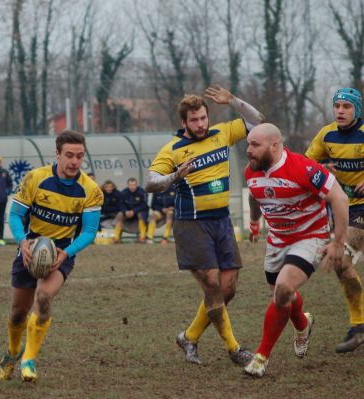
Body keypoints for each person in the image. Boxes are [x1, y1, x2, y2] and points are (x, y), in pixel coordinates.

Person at [146, 84, 264, 366]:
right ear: (183, 122)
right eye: (194, 120)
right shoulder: (173, 149)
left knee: (228, 288)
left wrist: (233, 100)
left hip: (221, 222)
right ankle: (235, 349)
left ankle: (189, 335)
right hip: (192, 225)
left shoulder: (222, 133)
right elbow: (151, 182)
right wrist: (176, 175)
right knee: (212, 285)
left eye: (203, 118)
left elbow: (258, 122)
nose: (200, 124)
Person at [0, 130, 104, 383]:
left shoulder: (91, 190)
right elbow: (14, 215)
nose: (74, 161)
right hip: (29, 251)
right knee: (17, 314)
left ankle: (29, 360)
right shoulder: (35, 178)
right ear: (57, 154)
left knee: (43, 298)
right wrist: (22, 242)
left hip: (61, 254)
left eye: (79, 156)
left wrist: (67, 253)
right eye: (69, 155)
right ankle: (12, 353)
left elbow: (89, 231)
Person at [243, 123, 348, 377]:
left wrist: (337, 242)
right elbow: (254, 196)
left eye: (255, 145)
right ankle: (303, 323)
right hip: (277, 240)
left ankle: (261, 357)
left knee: (284, 289)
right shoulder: (252, 171)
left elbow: (339, 198)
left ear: (275, 145)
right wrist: (255, 223)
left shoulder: (303, 168)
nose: (248, 150)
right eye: (248, 144)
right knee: (281, 297)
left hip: (310, 237)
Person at [305, 87, 364, 353]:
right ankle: (359, 326)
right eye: (337, 106)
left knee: (343, 257)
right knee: (341, 263)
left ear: (357, 110)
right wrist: (320, 169)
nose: (340, 110)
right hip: (343, 210)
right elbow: (305, 164)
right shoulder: (326, 135)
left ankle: (360, 325)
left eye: (347, 107)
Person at [115, 178, 149, 243]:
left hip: (139, 212)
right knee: (120, 214)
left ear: (137, 185)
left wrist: (134, 211)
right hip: (127, 213)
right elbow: (120, 204)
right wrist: (125, 211)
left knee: (141, 214)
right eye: (131, 185)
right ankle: (116, 238)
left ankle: (142, 237)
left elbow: (144, 205)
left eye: (134, 185)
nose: (132, 187)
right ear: (128, 185)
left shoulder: (143, 192)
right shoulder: (123, 193)